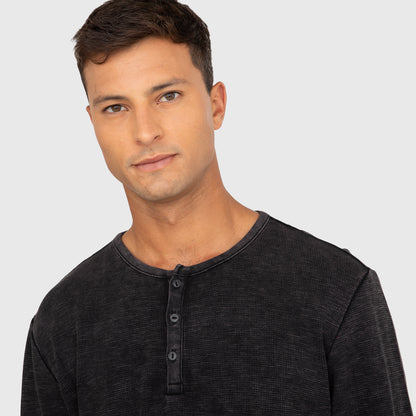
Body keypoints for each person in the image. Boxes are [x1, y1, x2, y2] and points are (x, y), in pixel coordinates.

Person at [21, 0, 413, 415]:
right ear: (93, 123)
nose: (145, 132)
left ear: (216, 105)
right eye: (115, 107)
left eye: (168, 96)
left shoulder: (337, 289)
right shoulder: (61, 319)